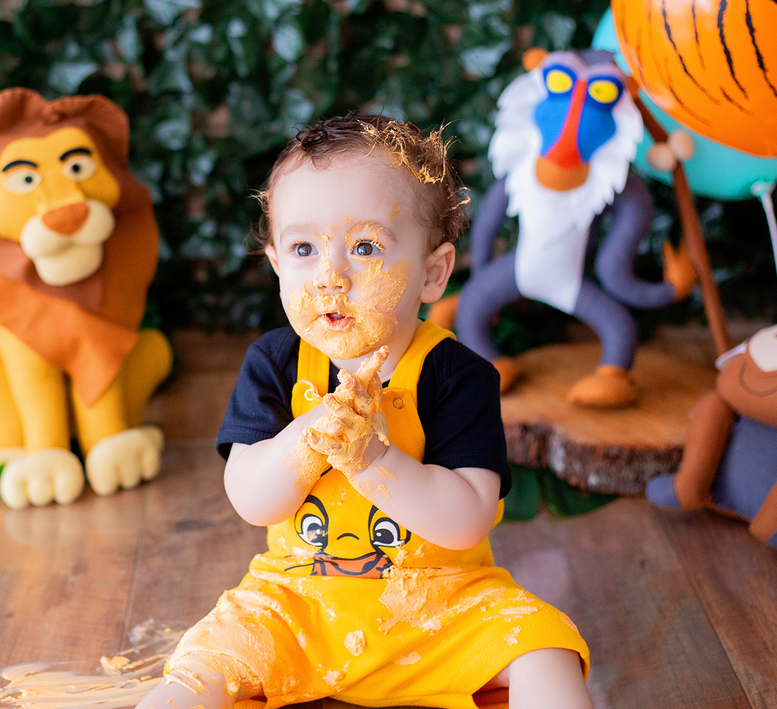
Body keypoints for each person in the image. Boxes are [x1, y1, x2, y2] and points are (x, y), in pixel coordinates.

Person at [136, 115, 592, 709]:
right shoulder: (274, 362)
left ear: (433, 273)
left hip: (442, 604)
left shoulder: (458, 375)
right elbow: (253, 500)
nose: (331, 276)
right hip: (298, 602)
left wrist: (373, 458)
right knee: (203, 668)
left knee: (545, 651)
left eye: (365, 247)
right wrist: (306, 440)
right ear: (276, 264)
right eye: (303, 248)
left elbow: (467, 519)